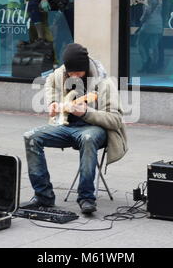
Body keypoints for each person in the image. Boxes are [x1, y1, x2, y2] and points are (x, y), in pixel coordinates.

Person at [23, 43, 128, 214]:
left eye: (78, 72)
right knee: (31, 137)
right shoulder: (60, 75)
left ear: (86, 67)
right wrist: (53, 104)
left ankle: (86, 197)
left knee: (87, 138)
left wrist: (86, 112)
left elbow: (115, 120)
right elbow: (50, 86)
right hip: (65, 127)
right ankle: (43, 196)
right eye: (70, 72)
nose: (74, 76)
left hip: (95, 128)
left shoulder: (104, 83)